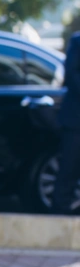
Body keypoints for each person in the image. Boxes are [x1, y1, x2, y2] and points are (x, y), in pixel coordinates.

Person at [51, 29, 79, 214]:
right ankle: (59, 217)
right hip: (76, 121)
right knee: (68, 170)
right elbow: (71, 74)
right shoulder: (77, 41)